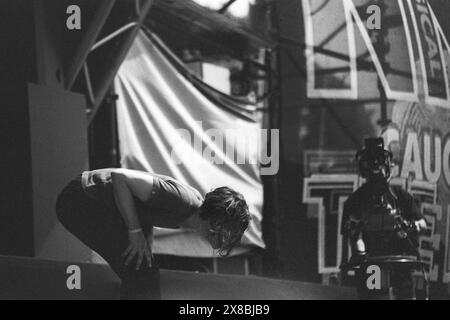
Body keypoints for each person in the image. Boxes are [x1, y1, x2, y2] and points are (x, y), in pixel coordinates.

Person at [56, 168, 251, 300]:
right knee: (143, 275)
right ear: (215, 219)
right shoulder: (182, 201)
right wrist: (134, 231)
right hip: (78, 200)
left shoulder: (188, 216)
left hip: (92, 205)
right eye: (224, 231)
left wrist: (144, 248)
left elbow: (144, 213)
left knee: (143, 268)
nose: (222, 239)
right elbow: (119, 177)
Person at [342, 138, 427, 300]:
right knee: (376, 296)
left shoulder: (400, 196)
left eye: (379, 160)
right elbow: (352, 233)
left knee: (404, 295)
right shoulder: (356, 201)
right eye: (371, 162)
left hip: (400, 262)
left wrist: (409, 225)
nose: (376, 166)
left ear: (388, 164)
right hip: (372, 263)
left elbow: (422, 224)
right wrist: (360, 249)